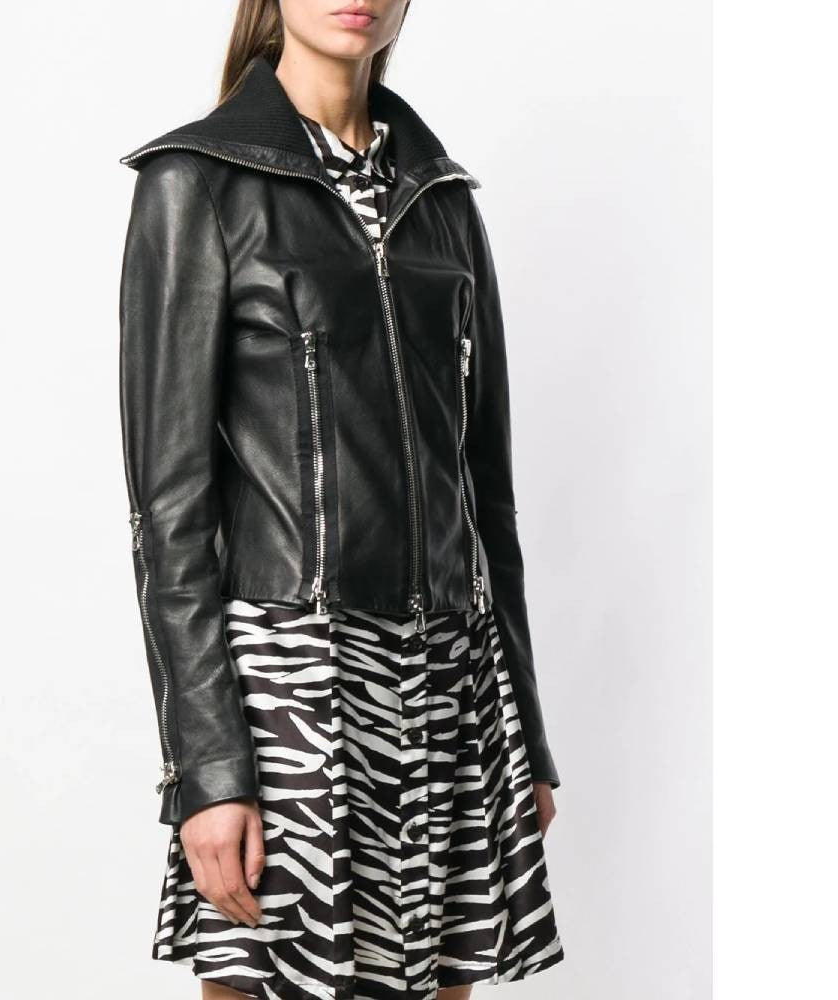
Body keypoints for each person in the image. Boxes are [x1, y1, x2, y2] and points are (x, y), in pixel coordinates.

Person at [118, 2, 565, 997]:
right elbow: (169, 514)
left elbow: (487, 493)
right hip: (285, 681)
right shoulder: (196, 182)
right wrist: (208, 769)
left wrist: (524, 733)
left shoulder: (441, 199)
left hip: (446, 677)